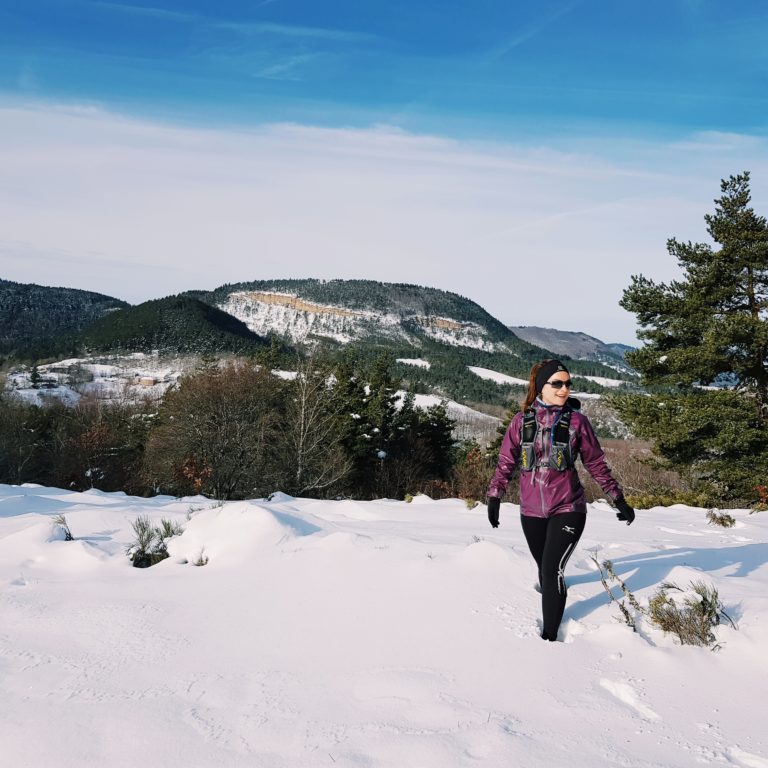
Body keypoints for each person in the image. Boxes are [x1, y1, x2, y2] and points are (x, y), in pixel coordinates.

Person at [486, 359, 635, 641]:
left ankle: (549, 638)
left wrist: (618, 498)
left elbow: (596, 464)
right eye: (557, 383)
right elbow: (506, 461)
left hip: (568, 506)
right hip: (531, 508)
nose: (564, 389)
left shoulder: (578, 422)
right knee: (544, 566)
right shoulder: (522, 422)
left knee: (553, 568)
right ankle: (549, 599)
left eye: (568, 383)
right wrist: (495, 496)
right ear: (541, 386)